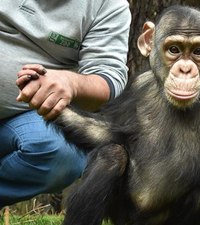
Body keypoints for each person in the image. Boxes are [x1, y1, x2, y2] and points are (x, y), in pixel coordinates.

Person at [0, 0, 131, 207]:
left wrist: (71, 82)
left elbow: (109, 77)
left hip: (25, 118)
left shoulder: (107, 4)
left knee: (64, 155)